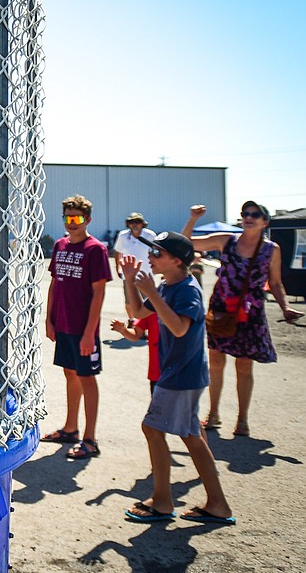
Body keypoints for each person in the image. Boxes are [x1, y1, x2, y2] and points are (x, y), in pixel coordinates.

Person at [121, 236, 234, 525]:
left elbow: (180, 328)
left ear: (177, 261)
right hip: (178, 372)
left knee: (153, 428)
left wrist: (153, 294)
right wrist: (130, 280)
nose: (152, 255)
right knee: (190, 436)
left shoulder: (185, 290)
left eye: (158, 252)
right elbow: (138, 313)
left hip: (183, 375)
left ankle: (163, 501)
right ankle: (217, 504)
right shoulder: (167, 286)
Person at [182, 202, 303, 437]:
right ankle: (214, 413)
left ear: (265, 222)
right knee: (216, 361)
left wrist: (285, 307)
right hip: (221, 307)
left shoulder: (271, 249)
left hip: (251, 312)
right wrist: (193, 219)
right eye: (245, 214)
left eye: (255, 214)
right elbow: (186, 244)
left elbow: (275, 283)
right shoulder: (226, 240)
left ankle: (242, 419)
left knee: (244, 366)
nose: (248, 217)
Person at [42, 195, 112, 459]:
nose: (72, 223)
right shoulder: (60, 245)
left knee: (86, 378)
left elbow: (99, 293)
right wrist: (49, 319)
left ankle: (90, 438)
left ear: (88, 220)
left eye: (77, 218)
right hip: (63, 324)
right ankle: (70, 428)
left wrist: (89, 334)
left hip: (84, 329)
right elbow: (54, 284)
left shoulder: (96, 249)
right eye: (68, 218)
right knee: (70, 374)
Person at [109, 312, 160, 393]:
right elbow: (136, 334)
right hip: (156, 373)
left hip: (179, 371)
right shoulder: (150, 308)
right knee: (158, 404)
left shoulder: (181, 305)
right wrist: (123, 330)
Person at [113, 212, 156, 286]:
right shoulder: (122, 236)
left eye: (138, 222)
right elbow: (118, 252)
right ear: (128, 224)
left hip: (146, 275)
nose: (135, 225)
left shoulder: (150, 235)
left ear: (142, 224)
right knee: (130, 297)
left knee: (149, 297)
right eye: (131, 222)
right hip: (128, 275)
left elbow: (157, 252)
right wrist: (118, 269)